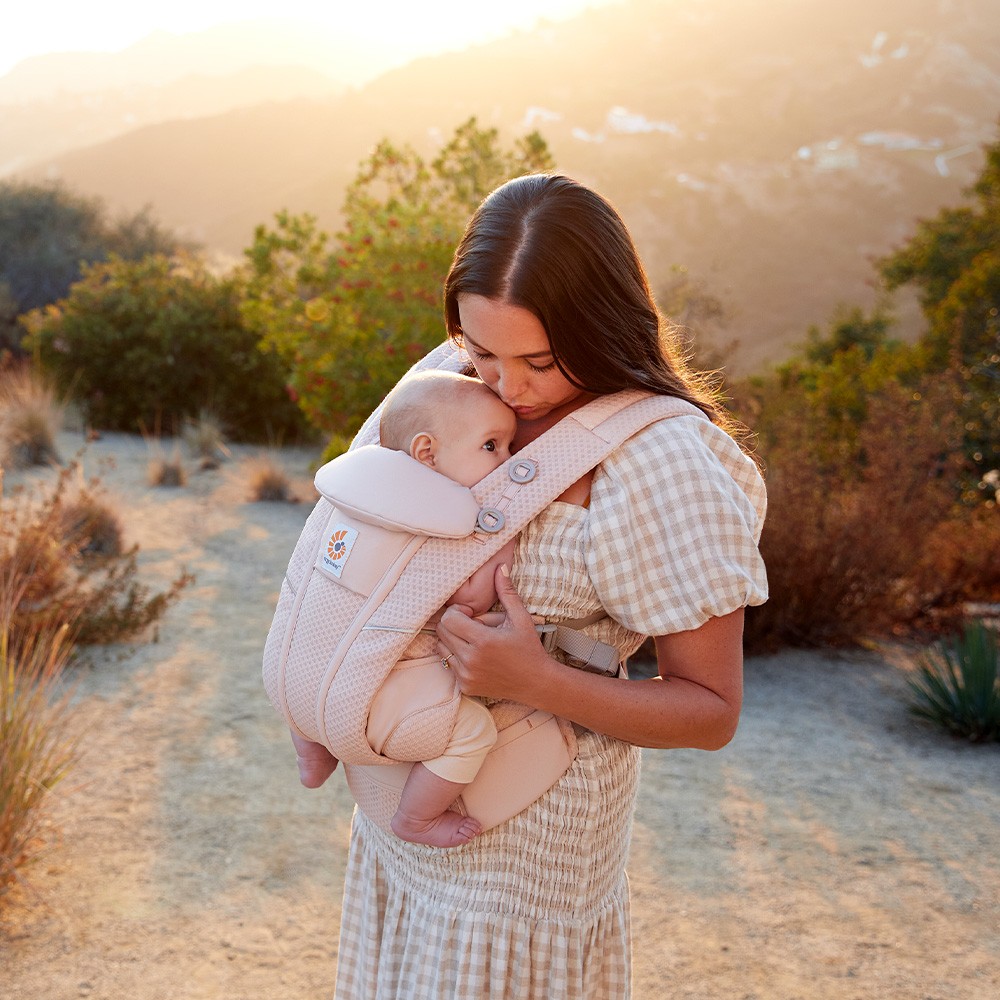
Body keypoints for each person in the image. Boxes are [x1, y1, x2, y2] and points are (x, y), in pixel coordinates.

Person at [328, 173, 768, 999]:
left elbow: (712, 712)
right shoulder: (446, 380)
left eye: (538, 358)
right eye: (482, 350)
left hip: (528, 857)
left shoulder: (660, 462)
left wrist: (534, 679)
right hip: (405, 815)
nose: (507, 389)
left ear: (603, 324)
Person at [289, 370, 519, 848]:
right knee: (473, 731)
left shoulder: (353, 493)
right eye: (493, 446)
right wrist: (501, 548)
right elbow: (472, 600)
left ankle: (312, 753)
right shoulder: (444, 519)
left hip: (290, 676)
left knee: (305, 665)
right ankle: (416, 818)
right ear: (426, 453)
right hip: (369, 699)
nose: (509, 459)